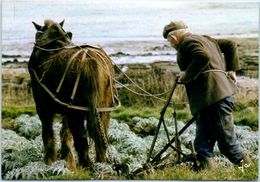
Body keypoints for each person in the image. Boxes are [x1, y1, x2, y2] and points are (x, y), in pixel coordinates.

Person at [162, 21, 252, 171]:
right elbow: (230, 45)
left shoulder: (187, 43)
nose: (171, 45)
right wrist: (231, 70)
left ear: (173, 38)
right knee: (202, 147)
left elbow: (202, 56)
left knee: (228, 145)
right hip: (208, 100)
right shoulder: (206, 39)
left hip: (215, 98)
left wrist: (187, 75)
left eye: (169, 41)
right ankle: (209, 176)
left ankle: (251, 172)